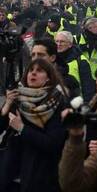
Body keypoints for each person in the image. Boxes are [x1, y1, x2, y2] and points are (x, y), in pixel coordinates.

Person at [0, 59, 68, 192]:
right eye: (31, 70)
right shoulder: (18, 98)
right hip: (10, 174)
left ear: (48, 78)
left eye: (39, 70)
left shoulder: (56, 103)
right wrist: (7, 105)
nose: (33, 73)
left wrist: (22, 128)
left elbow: (53, 143)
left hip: (40, 176)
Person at [55, 31, 95, 102]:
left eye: (62, 42)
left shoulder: (81, 61)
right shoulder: (52, 59)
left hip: (76, 103)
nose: (58, 44)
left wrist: (85, 105)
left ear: (70, 44)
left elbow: (88, 87)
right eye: (57, 41)